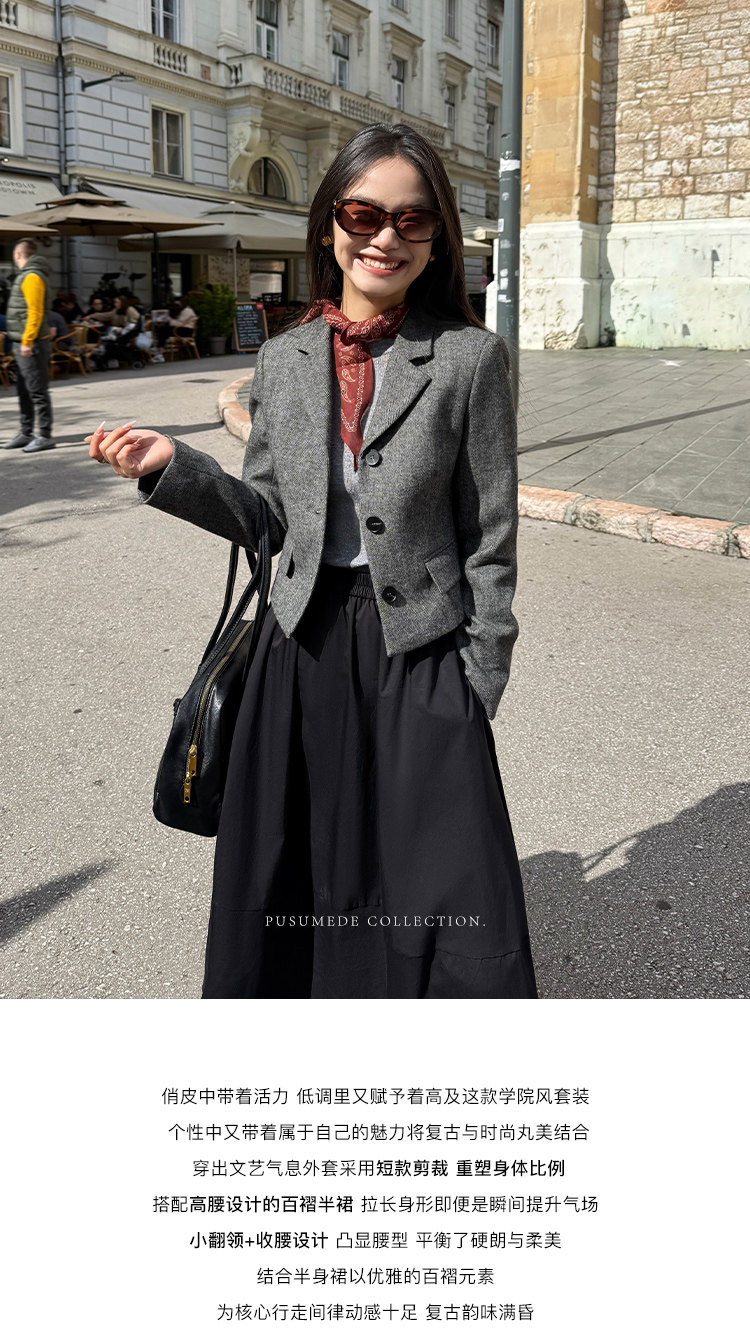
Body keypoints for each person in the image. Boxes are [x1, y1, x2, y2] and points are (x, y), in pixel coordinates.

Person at [87, 123, 537, 1000]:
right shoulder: (284, 357)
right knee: (299, 869)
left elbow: (491, 533)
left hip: (421, 653)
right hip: (299, 648)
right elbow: (266, 521)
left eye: (412, 219)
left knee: (446, 876)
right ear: (330, 224)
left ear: (436, 237)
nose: (385, 237)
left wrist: (479, 677)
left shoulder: (469, 358)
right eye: (364, 214)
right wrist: (171, 467)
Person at [1, 237, 56, 453]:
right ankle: (26, 432)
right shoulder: (28, 275)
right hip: (23, 340)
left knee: (37, 390)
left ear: (17, 255)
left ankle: (45, 435)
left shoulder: (32, 276)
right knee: (24, 389)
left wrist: (27, 340)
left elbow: (35, 311)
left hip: (31, 343)